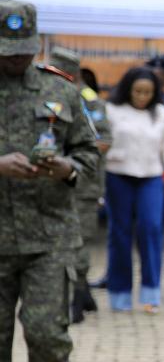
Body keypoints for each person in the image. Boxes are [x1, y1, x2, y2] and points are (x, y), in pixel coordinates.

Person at [0, 0, 99, 362]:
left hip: (48, 234)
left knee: (47, 333)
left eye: (21, 49)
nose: (14, 58)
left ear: (36, 43)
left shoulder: (60, 91)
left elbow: (89, 155)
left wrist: (66, 168)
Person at [104, 65, 164, 313]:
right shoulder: (112, 110)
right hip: (118, 176)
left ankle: (151, 293)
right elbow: (100, 148)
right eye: (137, 91)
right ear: (128, 89)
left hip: (150, 178)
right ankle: (120, 294)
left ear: (155, 93)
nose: (142, 97)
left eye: (147, 92)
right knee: (119, 234)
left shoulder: (161, 113)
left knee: (151, 229)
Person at [47, 47, 109, 324]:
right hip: (50, 184)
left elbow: (103, 141)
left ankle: (78, 294)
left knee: (80, 240)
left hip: (83, 184)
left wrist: (70, 158)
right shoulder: (47, 96)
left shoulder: (88, 100)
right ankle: (77, 293)